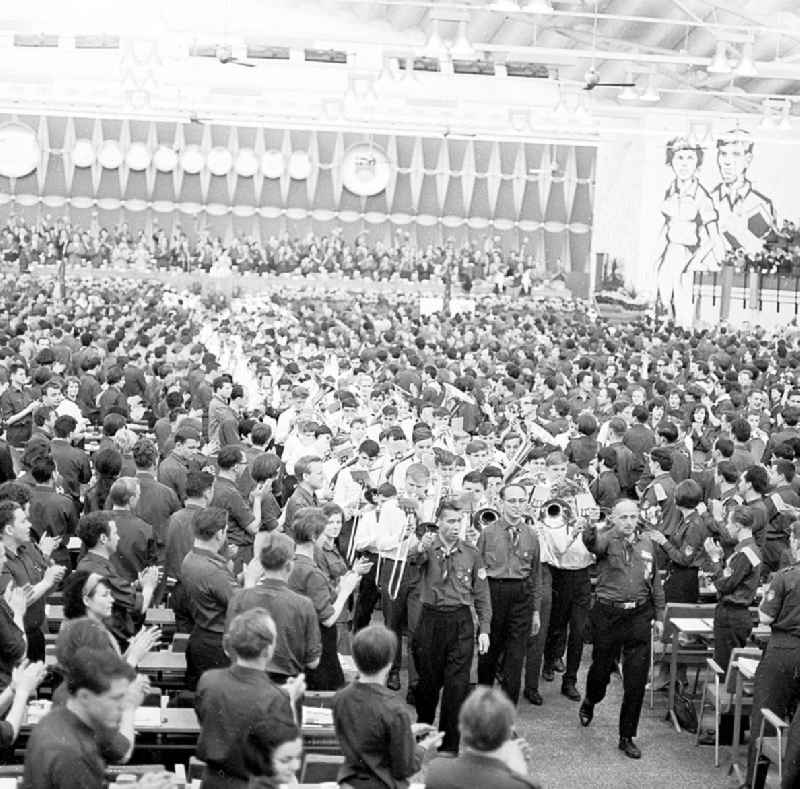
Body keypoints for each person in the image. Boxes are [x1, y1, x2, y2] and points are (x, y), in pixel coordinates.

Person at [579, 499, 665, 759]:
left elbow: (655, 580)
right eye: (623, 517)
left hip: (639, 614)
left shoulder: (647, 543)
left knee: (636, 679)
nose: (629, 522)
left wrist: (660, 614)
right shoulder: (606, 540)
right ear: (613, 519)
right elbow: (593, 544)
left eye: (632, 516)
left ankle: (627, 736)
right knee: (601, 671)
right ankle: (591, 700)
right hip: (608, 614)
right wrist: (594, 527)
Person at [22, 647, 175, 789]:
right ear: (85, 696)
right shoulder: (72, 756)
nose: (123, 706)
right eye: (116, 698)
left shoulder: (57, 718)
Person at [412, 499, 491, 754]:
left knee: (457, 687)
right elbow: (415, 558)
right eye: (451, 521)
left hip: (460, 621)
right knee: (428, 685)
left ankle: (449, 745)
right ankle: (422, 735)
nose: (457, 526)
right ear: (440, 521)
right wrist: (419, 546)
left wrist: (485, 629)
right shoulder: (428, 547)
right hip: (431, 620)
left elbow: (482, 593)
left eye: (460, 520)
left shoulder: (471, 552)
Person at [195, 607, 303, 788]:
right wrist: (289, 700)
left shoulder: (208, 680)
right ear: (268, 650)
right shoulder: (275, 697)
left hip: (212, 781)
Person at [333, 624, 442, 789]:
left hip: (349, 782)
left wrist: (406, 731)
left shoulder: (340, 698)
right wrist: (422, 746)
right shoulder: (394, 708)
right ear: (389, 664)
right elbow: (404, 768)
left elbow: (365, 732)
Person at [745, 520, 800, 789]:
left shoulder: (785, 577)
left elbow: (765, 616)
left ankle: (754, 780)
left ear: (795, 543)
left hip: (783, 649)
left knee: (765, 714)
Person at [226, 532, 322, 684]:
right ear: (290, 565)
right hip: (285, 685)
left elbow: (228, 648)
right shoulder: (303, 604)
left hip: (243, 682)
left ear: (261, 563)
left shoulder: (239, 597)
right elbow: (313, 661)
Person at [476, 483, 541, 705]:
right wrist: (479, 609)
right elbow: (479, 572)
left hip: (521, 594)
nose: (516, 506)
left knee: (516, 655)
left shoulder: (531, 535)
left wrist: (536, 611)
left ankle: (507, 711)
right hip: (494, 592)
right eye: (511, 501)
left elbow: (536, 574)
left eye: (521, 501)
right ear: (501, 503)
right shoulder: (488, 533)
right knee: (489, 652)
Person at [288, 507, 360, 690]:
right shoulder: (311, 573)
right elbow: (328, 619)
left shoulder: (291, 563)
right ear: (314, 536)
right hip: (318, 643)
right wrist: (345, 591)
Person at [425, 686, 542, 789]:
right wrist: (518, 772)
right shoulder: (521, 785)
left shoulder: (436, 772)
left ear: (461, 728)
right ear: (509, 732)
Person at [75, 511, 159, 647]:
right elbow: (140, 606)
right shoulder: (99, 570)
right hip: (108, 643)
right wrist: (149, 585)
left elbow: (118, 592)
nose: (118, 538)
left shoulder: (94, 563)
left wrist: (136, 586)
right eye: (115, 533)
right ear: (103, 538)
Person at [181, 506, 242, 689]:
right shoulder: (212, 570)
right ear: (219, 534)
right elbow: (240, 604)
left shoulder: (190, 558)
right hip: (217, 644)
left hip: (200, 635)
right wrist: (252, 579)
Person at [0, 499, 65, 661]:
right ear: (9, 529)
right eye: (23, 521)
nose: (29, 525)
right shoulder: (2, 561)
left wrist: (53, 578)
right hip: (14, 641)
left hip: (35, 633)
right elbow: (13, 603)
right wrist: (46, 582)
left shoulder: (26, 550)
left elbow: (44, 590)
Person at [57, 570, 161, 668]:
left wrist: (133, 648)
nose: (111, 600)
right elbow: (106, 682)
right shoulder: (86, 636)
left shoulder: (91, 628)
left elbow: (112, 667)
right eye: (104, 595)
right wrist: (134, 657)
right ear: (87, 601)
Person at [165, 470, 215, 632]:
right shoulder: (210, 521)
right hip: (204, 592)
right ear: (207, 492)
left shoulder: (175, 518)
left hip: (179, 589)